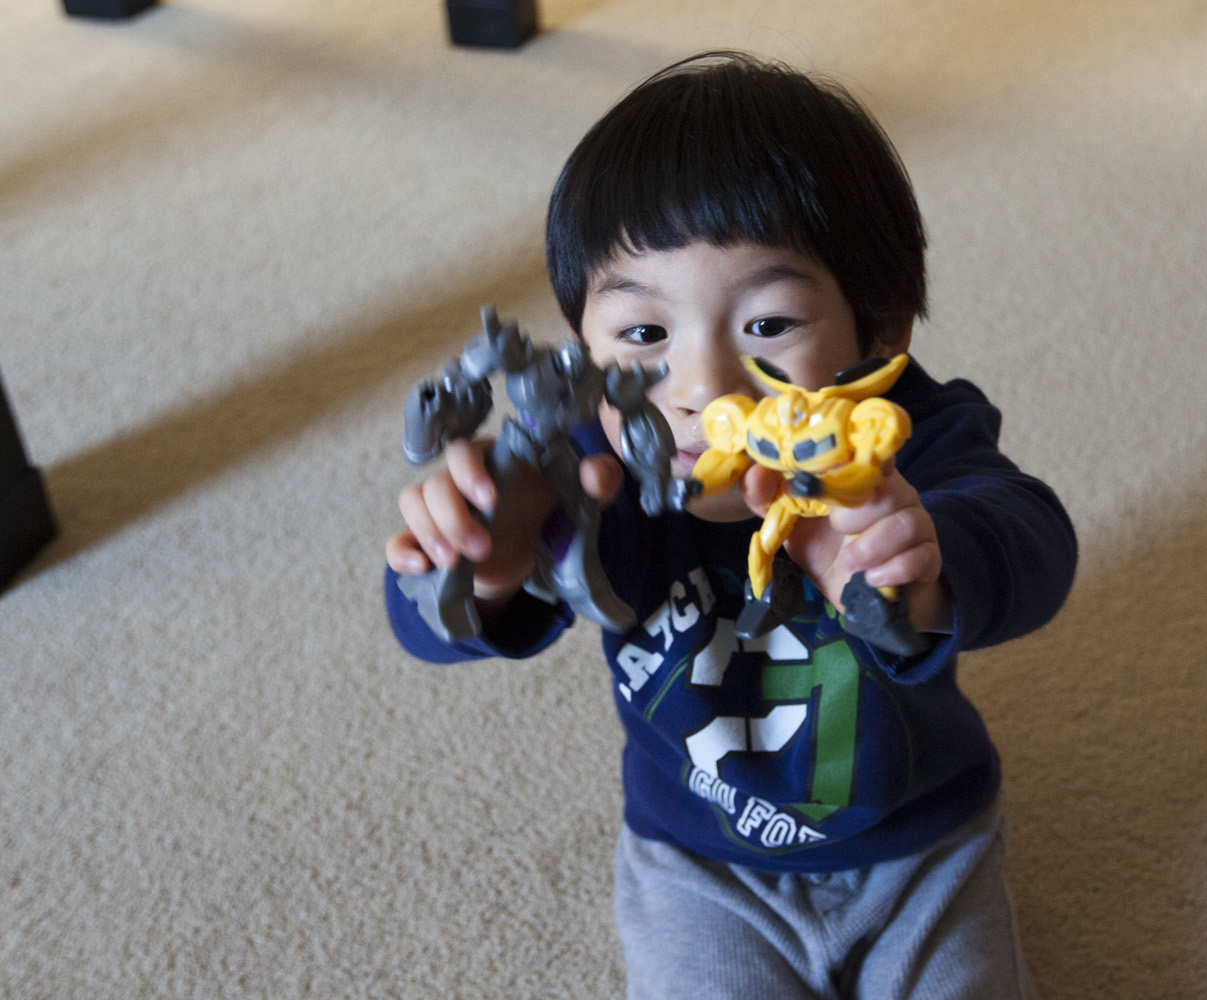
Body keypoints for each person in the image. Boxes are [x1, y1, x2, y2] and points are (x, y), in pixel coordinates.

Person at [384, 51, 1076, 1000]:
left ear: (880, 333)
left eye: (768, 326)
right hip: (699, 864)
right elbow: (419, 624)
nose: (704, 389)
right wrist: (480, 562)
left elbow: (1037, 543)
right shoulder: (581, 470)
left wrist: (924, 561)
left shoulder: (896, 442)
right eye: (644, 335)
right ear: (583, 348)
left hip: (921, 845)